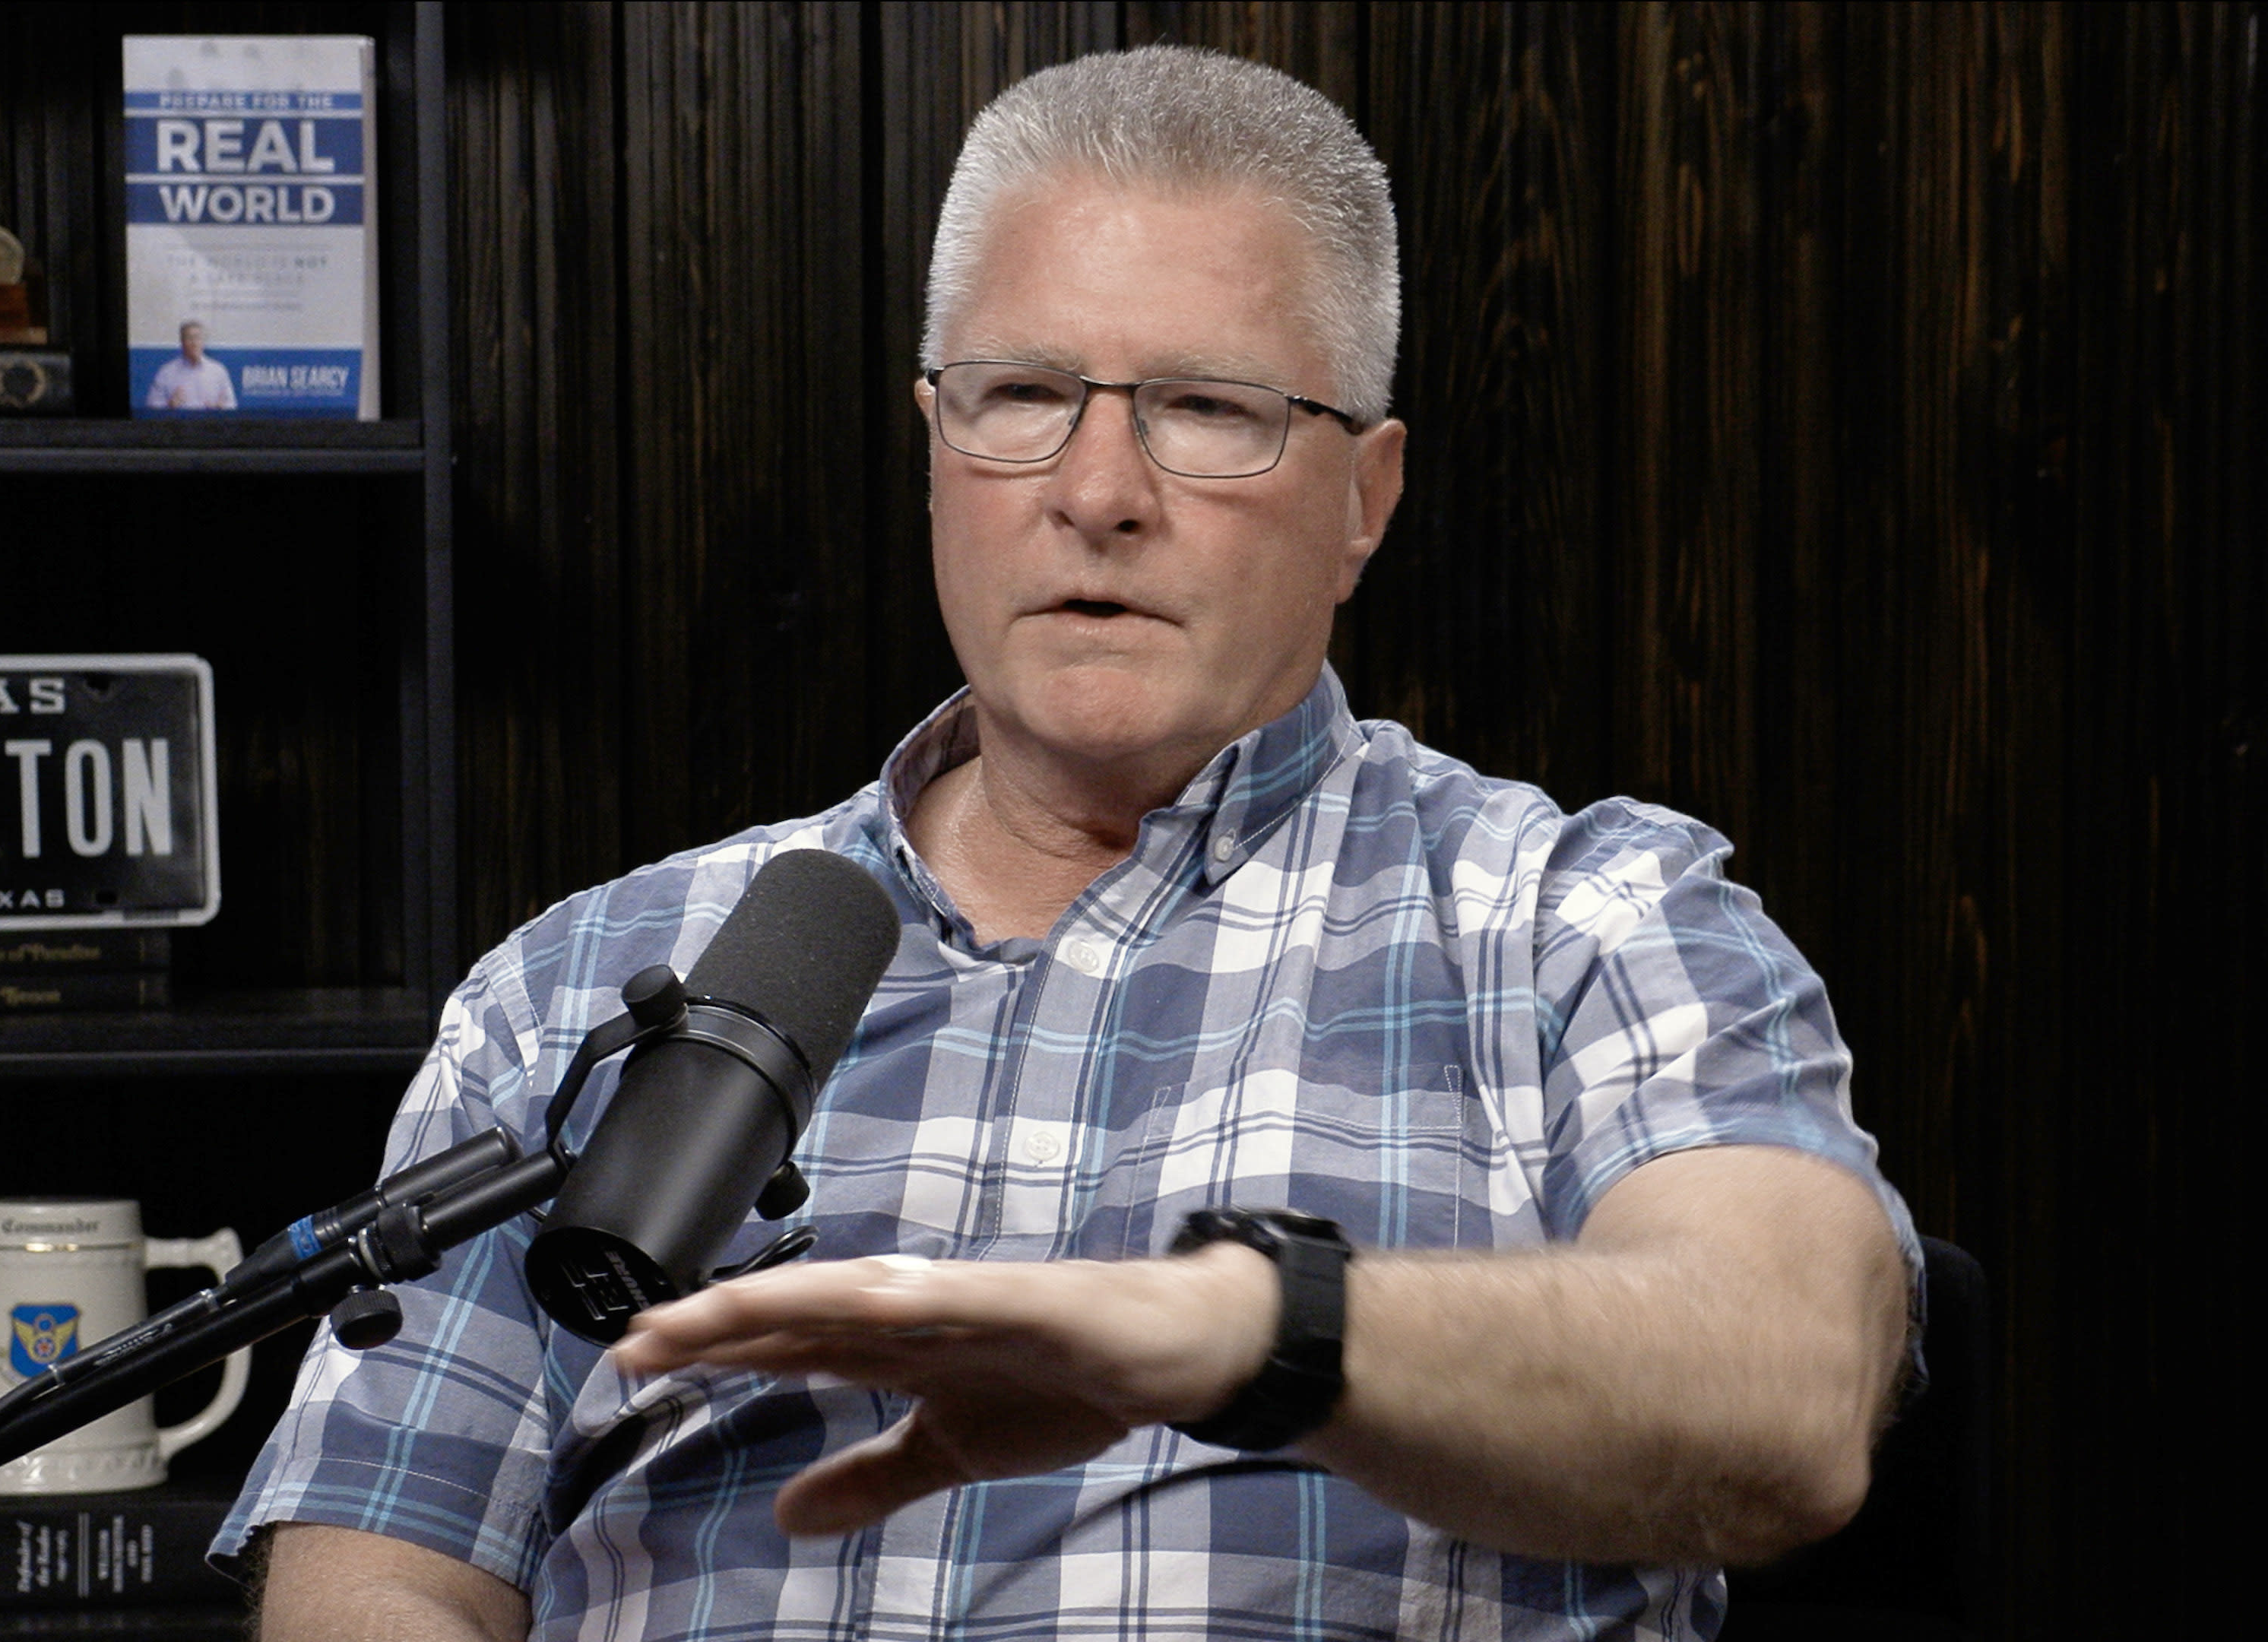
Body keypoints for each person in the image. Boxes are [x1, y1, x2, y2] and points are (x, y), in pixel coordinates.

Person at [223, 44, 1915, 1641]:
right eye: (1023, 393)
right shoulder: (576, 986)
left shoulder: (1581, 923)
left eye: (1206, 409)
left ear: (1366, 499)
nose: (1097, 489)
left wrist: (1248, 1332)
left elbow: (1785, 1394)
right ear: (938, 452)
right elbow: (386, 1568)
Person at [146, 319, 237, 410]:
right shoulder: (166, 372)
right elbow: (152, 406)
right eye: (189, 338)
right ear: (182, 342)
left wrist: (220, 407)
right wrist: (169, 404)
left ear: (203, 341)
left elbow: (232, 405)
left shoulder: (218, 371)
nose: (194, 343)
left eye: (198, 338)